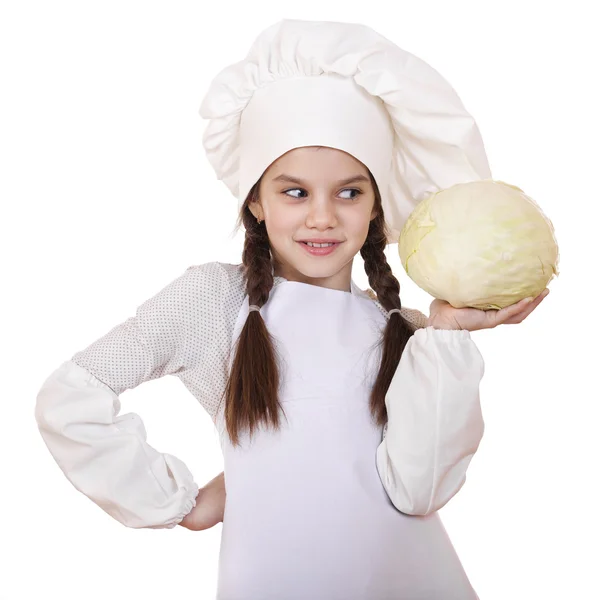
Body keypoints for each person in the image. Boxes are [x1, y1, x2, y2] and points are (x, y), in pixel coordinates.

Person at [35, 18, 548, 599]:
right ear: (255, 199)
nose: (323, 217)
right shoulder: (212, 301)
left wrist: (450, 334)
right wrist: (177, 502)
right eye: (295, 191)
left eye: (350, 192)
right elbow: (70, 396)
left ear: (377, 204)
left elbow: (418, 490)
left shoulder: (406, 330)